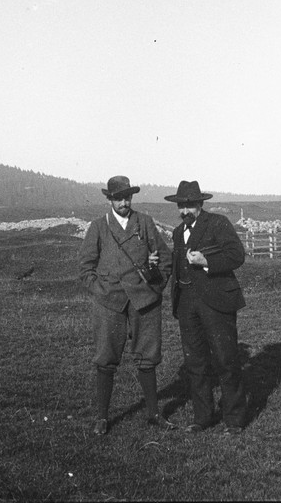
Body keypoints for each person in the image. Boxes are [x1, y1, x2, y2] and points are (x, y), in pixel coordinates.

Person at [79, 175, 174, 435]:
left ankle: (153, 414)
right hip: (109, 303)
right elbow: (86, 267)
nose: (124, 202)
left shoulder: (144, 222)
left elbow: (165, 258)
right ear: (110, 199)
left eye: (127, 197)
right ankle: (102, 417)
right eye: (119, 198)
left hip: (144, 300)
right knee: (105, 358)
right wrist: (101, 291)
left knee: (148, 356)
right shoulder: (98, 227)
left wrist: (156, 286)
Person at [165, 180, 247, 435]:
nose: (185, 211)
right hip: (187, 304)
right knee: (195, 362)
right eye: (181, 206)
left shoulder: (218, 223)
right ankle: (203, 417)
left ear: (200, 204)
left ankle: (235, 420)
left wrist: (206, 261)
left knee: (225, 359)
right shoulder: (178, 233)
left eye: (190, 205)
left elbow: (237, 255)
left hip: (216, 302)